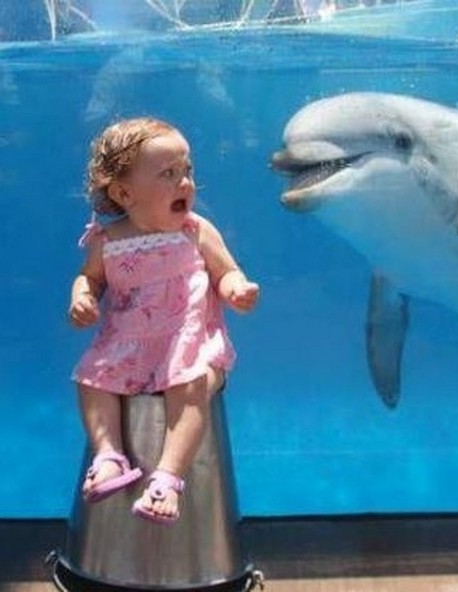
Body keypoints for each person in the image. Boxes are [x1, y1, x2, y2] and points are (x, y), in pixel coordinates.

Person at [69, 117, 259, 525]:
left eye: (186, 170)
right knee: (90, 380)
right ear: (124, 193)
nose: (185, 182)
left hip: (189, 344)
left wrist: (236, 290)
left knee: (189, 386)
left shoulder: (196, 231)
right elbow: (91, 278)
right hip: (128, 344)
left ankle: (168, 478)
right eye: (168, 174)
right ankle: (109, 455)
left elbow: (226, 271)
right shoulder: (108, 240)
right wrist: (82, 297)